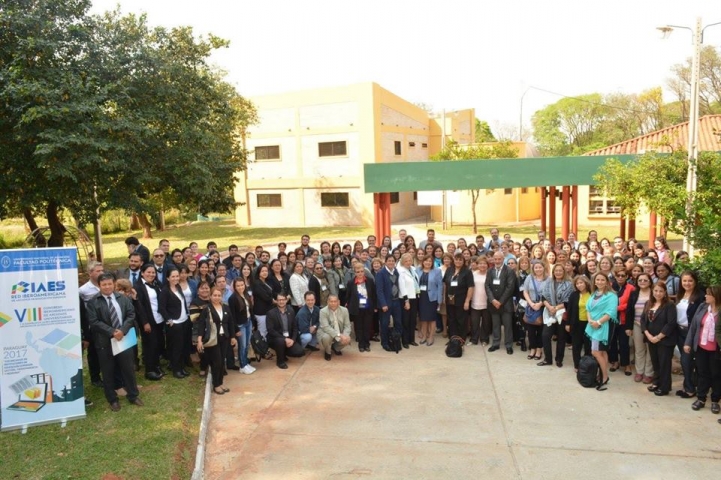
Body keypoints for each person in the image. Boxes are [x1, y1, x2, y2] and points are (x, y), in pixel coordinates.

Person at [86, 273, 143, 411]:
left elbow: (131, 314)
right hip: (105, 342)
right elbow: (94, 322)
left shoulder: (122, 298)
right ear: (99, 286)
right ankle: (112, 399)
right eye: (104, 284)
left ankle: (133, 395)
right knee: (108, 371)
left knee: (128, 369)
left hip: (123, 339)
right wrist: (112, 332)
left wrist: (122, 331)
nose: (107, 287)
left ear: (114, 284)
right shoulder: (93, 302)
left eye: (109, 284)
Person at [685, 285, 721, 413]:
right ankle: (701, 398)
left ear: (715, 296)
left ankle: (715, 400)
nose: (705, 296)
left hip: (716, 350)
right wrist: (688, 343)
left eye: (708, 294)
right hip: (701, 347)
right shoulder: (703, 307)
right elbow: (694, 327)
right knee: (702, 373)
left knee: (716, 375)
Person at [641, 281, 678, 396]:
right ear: (652, 291)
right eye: (656, 290)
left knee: (664, 364)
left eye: (661, 291)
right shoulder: (648, 303)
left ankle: (665, 387)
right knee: (655, 362)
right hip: (651, 338)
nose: (658, 293)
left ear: (665, 292)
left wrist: (658, 337)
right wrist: (648, 335)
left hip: (665, 340)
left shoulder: (669, 305)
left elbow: (670, 324)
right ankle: (657, 382)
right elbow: (643, 321)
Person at [196, 287, 235, 394]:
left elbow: (231, 323)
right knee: (216, 362)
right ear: (210, 296)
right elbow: (201, 325)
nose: (217, 297)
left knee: (222, 361)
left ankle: (221, 382)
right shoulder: (207, 309)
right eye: (215, 295)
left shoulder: (226, 308)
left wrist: (232, 337)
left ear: (221, 297)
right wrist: (199, 340)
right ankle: (216, 385)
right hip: (213, 339)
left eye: (219, 295)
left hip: (225, 338)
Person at [585, 273, 619, 391]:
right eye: (597, 280)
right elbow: (588, 308)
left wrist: (598, 322)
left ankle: (604, 377)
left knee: (596, 352)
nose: (599, 282)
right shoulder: (594, 294)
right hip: (592, 325)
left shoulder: (612, 296)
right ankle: (604, 375)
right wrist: (590, 320)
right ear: (594, 282)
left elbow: (610, 313)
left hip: (604, 327)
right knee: (602, 352)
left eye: (602, 280)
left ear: (607, 282)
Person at [675, 270, 704, 398]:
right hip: (679, 331)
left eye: (690, 281)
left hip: (691, 333)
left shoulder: (700, 297)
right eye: (684, 281)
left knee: (686, 361)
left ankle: (690, 389)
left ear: (695, 282)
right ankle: (690, 384)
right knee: (685, 361)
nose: (687, 283)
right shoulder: (680, 294)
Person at [158, 269, 191, 379]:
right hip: (174, 323)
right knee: (176, 347)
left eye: (177, 276)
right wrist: (169, 320)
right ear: (168, 278)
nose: (176, 278)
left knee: (183, 346)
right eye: (173, 276)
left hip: (184, 320)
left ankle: (181, 367)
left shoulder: (178, 287)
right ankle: (176, 370)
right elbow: (162, 308)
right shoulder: (165, 291)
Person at [539, 264, 573, 367]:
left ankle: (559, 359)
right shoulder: (548, 283)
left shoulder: (569, 284)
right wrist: (550, 307)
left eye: (560, 270)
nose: (558, 272)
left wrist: (556, 308)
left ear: (564, 272)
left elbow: (569, 301)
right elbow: (543, 297)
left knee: (561, 337)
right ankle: (548, 359)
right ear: (553, 272)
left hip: (562, 314)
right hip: (549, 312)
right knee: (545, 336)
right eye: (556, 271)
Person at [79, 261, 105, 387]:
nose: (101, 273)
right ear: (90, 273)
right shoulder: (83, 290)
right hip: (93, 326)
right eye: (98, 271)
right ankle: (95, 377)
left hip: (107, 324)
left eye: (102, 270)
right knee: (94, 353)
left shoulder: (106, 285)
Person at [626, 273, 655, 384]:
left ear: (650, 281)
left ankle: (648, 373)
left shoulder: (654, 293)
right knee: (639, 349)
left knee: (650, 350)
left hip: (651, 326)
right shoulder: (634, 294)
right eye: (640, 280)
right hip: (637, 325)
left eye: (645, 280)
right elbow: (629, 311)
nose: (642, 282)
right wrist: (629, 327)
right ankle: (639, 372)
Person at [486, 251, 515, 354]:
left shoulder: (509, 271)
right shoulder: (490, 271)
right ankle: (496, 343)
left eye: (499, 259)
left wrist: (500, 301)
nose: (497, 261)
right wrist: (493, 300)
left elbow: (510, 288)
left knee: (507, 325)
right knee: (496, 324)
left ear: (503, 259)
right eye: (495, 259)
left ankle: (508, 345)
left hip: (506, 304)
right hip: (493, 303)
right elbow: (487, 286)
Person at [266, 293, 305, 369]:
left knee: (300, 352)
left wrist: (293, 340)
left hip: (289, 338)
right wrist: (285, 339)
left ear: (286, 300)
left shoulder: (291, 311)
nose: (281, 302)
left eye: (283, 300)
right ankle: (280, 361)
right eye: (279, 300)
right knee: (280, 341)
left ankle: (283, 353)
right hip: (276, 338)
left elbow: (295, 327)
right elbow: (270, 330)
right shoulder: (271, 313)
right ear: (276, 301)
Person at [608, 267, 635, 376]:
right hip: (611, 319)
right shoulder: (609, 287)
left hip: (624, 320)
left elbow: (630, 304)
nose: (620, 277)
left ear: (627, 277)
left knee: (624, 343)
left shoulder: (631, 288)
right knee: (612, 342)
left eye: (623, 275)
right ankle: (615, 362)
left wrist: (616, 308)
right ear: (615, 276)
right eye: (618, 275)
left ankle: (626, 364)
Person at [443, 253, 474, 341]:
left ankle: (461, 339)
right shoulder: (449, 270)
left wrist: (467, 301)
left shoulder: (467, 272)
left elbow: (470, 287)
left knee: (461, 320)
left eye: (460, 260)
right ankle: (452, 338)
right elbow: (445, 284)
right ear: (454, 260)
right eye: (456, 259)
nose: (458, 261)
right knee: (451, 320)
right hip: (450, 300)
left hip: (461, 300)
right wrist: (444, 297)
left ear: (463, 261)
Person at [228, 278, 256, 375]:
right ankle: (242, 365)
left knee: (247, 345)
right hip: (240, 325)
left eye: (242, 285)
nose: (240, 287)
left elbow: (251, 310)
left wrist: (252, 323)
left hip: (248, 322)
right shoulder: (232, 298)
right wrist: (236, 330)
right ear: (235, 287)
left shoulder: (246, 295)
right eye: (238, 286)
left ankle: (246, 363)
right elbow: (232, 316)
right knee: (242, 345)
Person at [376, 255, 403, 352]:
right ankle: (385, 343)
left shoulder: (396, 272)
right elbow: (379, 290)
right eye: (389, 261)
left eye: (393, 261)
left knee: (398, 322)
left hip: (396, 301)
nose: (391, 262)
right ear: (385, 262)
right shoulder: (381, 273)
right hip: (386, 303)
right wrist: (383, 304)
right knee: (384, 323)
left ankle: (396, 341)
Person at [346, 263, 376, 352]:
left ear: (364, 272)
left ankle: (367, 344)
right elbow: (348, 296)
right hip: (357, 308)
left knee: (367, 326)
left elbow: (374, 295)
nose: (360, 273)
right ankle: (361, 344)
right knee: (359, 327)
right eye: (358, 272)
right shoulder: (351, 282)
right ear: (355, 273)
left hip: (368, 308)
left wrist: (374, 306)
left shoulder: (370, 281)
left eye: (362, 271)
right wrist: (348, 305)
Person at [566, 275, 592, 371]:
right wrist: (568, 324)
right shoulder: (574, 295)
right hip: (576, 324)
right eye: (577, 283)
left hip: (589, 324)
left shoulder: (592, 294)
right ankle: (577, 365)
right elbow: (569, 310)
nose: (579, 285)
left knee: (588, 345)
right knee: (576, 346)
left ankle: (587, 364)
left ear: (586, 283)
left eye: (581, 283)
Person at [417, 255, 442, 347]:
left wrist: (440, 299)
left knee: (431, 318)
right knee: (423, 318)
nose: (427, 263)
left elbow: (440, 286)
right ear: (422, 262)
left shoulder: (437, 271)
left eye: (429, 261)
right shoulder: (418, 270)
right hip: (421, 297)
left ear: (432, 263)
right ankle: (424, 336)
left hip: (432, 298)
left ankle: (431, 336)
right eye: (426, 261)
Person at [318, 295, 352, 361]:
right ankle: (327, 351)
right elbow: (326, 327)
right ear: (328, 302)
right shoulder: (323, 311)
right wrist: (339, 335)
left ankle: (336, 348)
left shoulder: (344, 310)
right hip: (326, 332)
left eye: (335, 301)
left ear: (338, 302)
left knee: (348, 339)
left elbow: (347, 325)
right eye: (331, 301)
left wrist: (345, 335)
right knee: (326, 337)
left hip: (340, 330)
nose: (333, 303)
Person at [398, 253, 420, 348]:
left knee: (412, 320)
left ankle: (412, 339)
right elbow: (402, 287)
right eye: (406, 261)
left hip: (414, 297)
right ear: (402, 261)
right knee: (405, 320)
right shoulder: (400, 271)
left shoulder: (413, 269)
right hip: (405, 298)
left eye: (410, 260)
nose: (408, 262)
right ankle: (405, 341)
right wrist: (406, 301)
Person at [190, 281, 212, 377]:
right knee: (203, 350)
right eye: (202, 288)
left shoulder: (213, 299)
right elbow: (194, 318)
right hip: (199, 329)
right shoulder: (195, 302)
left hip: (213, 328)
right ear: (198, 291)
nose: (205, 290)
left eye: (207, 288)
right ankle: (203, 368)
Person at [470, 256, 491, 346]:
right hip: (475, 301)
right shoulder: (473, 274)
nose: (482, 265)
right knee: (474, 322)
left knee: (486, 323)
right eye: (480, 263)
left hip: (487, 302)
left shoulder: (490, 274)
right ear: (477, 265)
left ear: (487, 265)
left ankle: (484, 340)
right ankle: (474, 339)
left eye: (484, 263)